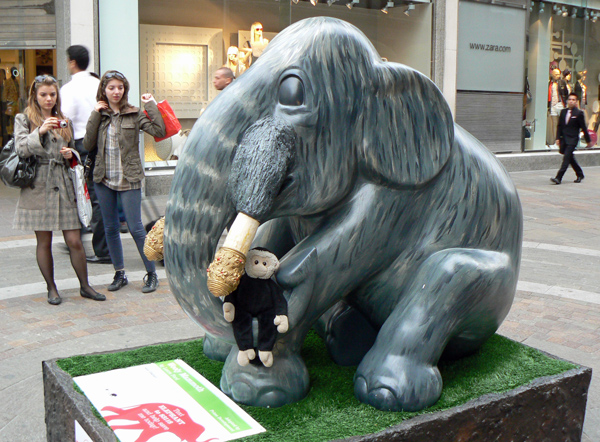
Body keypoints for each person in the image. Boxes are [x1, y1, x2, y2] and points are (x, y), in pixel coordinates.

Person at [13, 75, 106, 305]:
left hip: (63, 183)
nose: (48, 99)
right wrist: (41, 131)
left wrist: (70, 155)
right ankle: (51, 288)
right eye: (43, 94)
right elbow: (21, 148)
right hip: (38, 184)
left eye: (52, 94)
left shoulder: (64, 120)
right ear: (35, 95)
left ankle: (85, 286)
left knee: (74, 240)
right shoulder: (24, 119)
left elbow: (73, 152)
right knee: (43, 241)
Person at [83, 70, 166, 293]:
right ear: (104, 90)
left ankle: (151, 274)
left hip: (129, 177)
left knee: (136, 228)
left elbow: (160, 130)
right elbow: (88, 143)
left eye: (120, 87)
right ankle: (120, 273)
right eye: (111, 88)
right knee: (110, 227)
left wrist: (150, 105)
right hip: (103, 177)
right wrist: (94, 113)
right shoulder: (100, 115)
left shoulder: (134, 113)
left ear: (125, 90)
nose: (116, 91)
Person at [60, 45, 111, 264]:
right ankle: (84, 237)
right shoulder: (99, 83)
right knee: (97, 191)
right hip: (104, 141)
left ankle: (102, 249)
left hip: (83, 143)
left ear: (72, 62)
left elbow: (66, 118)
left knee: (90, 193)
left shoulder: (69, 89)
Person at [551, 93, 592, 185]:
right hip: (564, 139)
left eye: (573, 100)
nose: (571, 101)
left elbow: (584, 128)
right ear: (567, 101)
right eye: (570, 99)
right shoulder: (563, 112)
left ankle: (558, 177)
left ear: (576, 102)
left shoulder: (579, 113)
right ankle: (580, 174)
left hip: (572, 140)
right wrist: (558, 138)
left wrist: (588, 140)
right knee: (570, 158)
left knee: (566, 159)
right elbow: (560, 126)